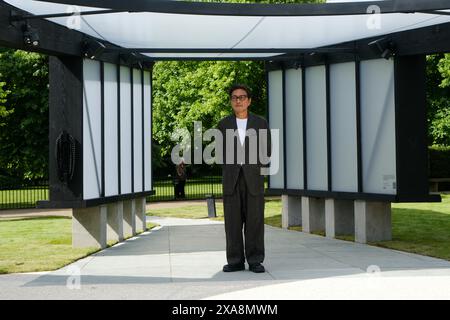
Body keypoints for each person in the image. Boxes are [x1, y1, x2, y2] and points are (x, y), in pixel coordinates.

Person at [217, 84, 271, 273]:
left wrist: (260, 175)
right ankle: (235, 261)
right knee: (232, 222)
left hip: (254, 179)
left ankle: (255, 260)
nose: (238, 100)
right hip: (231, 180)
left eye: (242, 97)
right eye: (234, 97)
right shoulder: (223, 124)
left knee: (255, 221)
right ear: (231, 101)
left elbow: (267, 152)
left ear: (248, 101)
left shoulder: (260, 123)